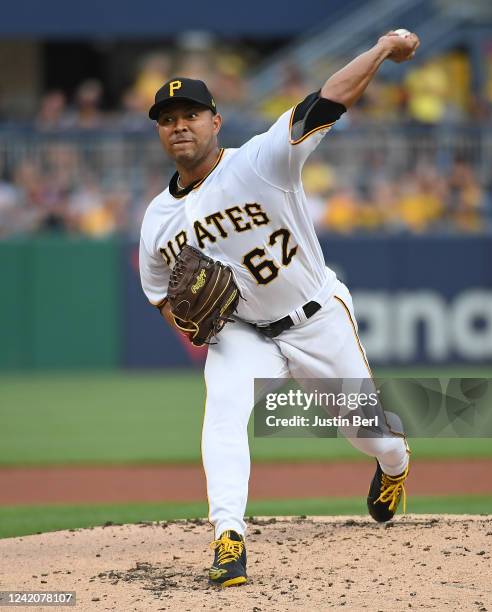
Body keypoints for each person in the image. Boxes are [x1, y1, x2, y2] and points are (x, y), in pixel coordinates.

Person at [139, 30, 420, 588]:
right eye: (168, 118)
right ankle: (228, 538)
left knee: (368, 433)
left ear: (215, 121)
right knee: (222, 413)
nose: (179, 125)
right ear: (160, 131)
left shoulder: (262, 161)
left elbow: (328, 98)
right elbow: (160, 294)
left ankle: (395, 464)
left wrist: (384, 49)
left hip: (316, 317)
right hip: (244, 332)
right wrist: (188, 324)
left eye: (190, 113)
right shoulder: (155, 220)